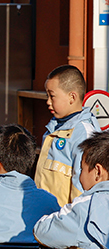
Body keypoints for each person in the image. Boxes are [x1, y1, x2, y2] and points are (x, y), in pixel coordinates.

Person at [35, 64, 100, 205]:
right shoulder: (53, 128)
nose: (48, 101)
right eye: (47, 96)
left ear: (72, 97)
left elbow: (82, 194)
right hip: (45, 215)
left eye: (52, 96)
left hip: (63, 217)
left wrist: (68, 218)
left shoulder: (85, 135)